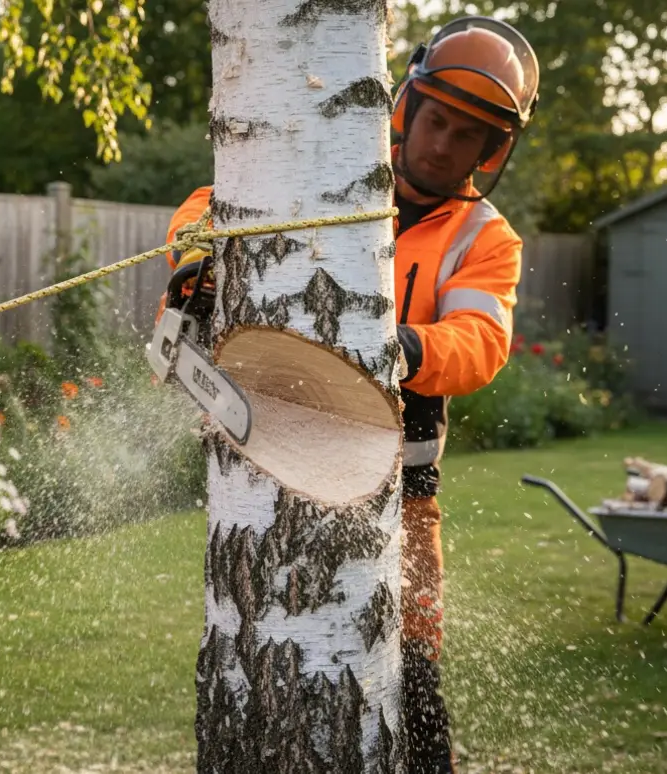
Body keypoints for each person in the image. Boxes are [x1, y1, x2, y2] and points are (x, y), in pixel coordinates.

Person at [158, 16, 538, 773]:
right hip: (269, 462)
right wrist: (196, 260)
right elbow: (208, 201)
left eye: (466, 136)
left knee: (414, 671)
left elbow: (482, 339)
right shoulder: (327, 170)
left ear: (490, 152)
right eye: (436, 121)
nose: (441, 144)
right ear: (406, 108)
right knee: (259, 648)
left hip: (404, 486)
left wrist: (404, 347)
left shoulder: (483, 237)